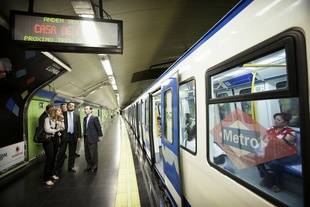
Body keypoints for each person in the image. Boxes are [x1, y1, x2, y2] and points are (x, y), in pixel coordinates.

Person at [259, 112, 298, 192]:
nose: (275, 121)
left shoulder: (290, 132)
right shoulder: (271, 129)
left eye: (278, 120)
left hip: (289, 155)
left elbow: (282, 143)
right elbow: (264, 139)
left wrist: (270, 140)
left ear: (285, 122)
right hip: (274, 153)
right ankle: (266, 177)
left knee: (274, 163)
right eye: (275, 119)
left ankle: (279, 184)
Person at [40, 105, 64, 186]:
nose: (60, 113)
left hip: (55, 140)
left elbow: (62, 128)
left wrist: (60, 123)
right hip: (48, 141)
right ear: (53, 112)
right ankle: (46, 178)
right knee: (49, 158)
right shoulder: (47, 119)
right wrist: (57, 129)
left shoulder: (56, 120)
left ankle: (52, 174)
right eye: (58, 111)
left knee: (54, 158)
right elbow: (47, 129)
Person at [83, 105, 103, 173]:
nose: (85, 110)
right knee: (87, 153)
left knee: (93, 154)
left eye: (87, 109)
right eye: (85, 109)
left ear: (91, 110)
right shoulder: (84, 118)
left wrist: (100, 136)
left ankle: (94, 166)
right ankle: (89, 166)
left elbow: (98, 127)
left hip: (92, 138)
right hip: (86, 138)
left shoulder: (94, 118)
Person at [64, 102, 81, 172]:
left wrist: (79, 136)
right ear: (67, 106)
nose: (71, 106)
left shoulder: (77, 115)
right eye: (69, 105)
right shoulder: (63, 114)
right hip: (65, 135)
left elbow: (78, 126)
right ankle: (57, 169)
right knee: (62, 153)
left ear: (74, 107)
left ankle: (71, 167)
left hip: (73, 136)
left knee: (72, 153)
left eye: (72, 105)